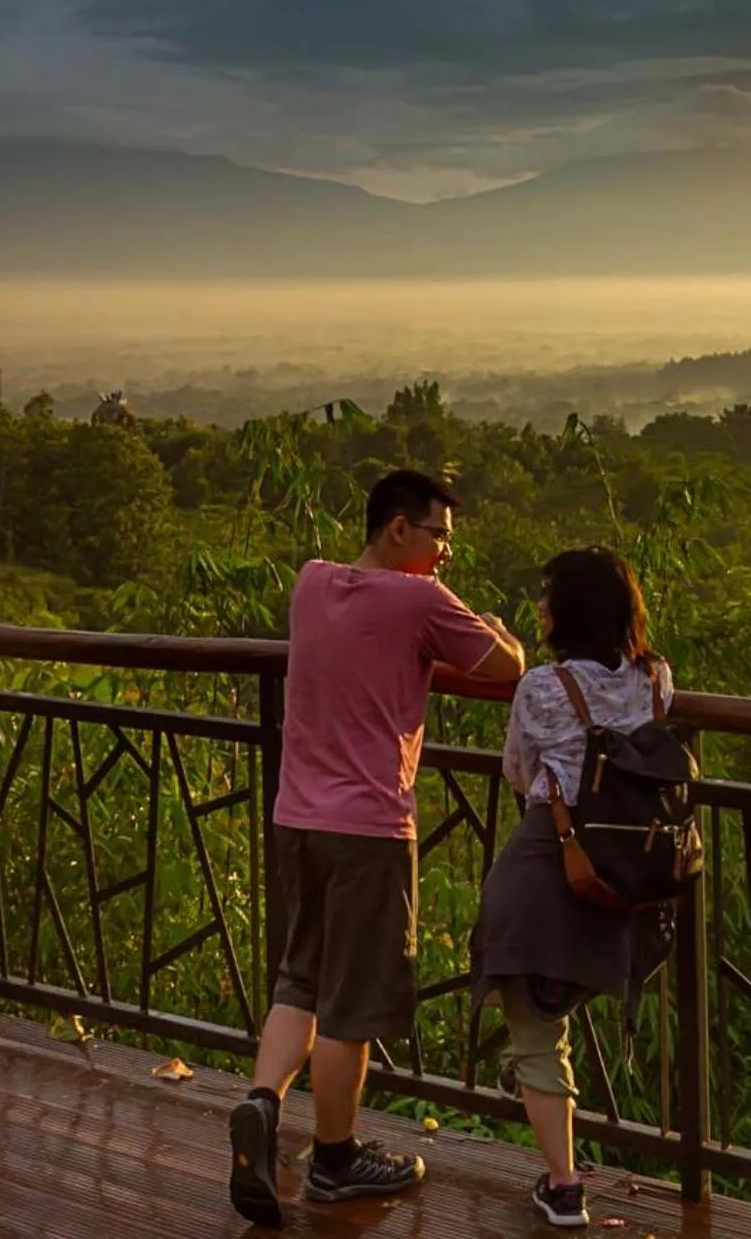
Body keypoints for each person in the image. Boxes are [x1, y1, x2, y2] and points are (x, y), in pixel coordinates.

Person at [229, 469, 526, 1228]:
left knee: (300, 977)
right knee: (350, 1005)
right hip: (367, 825)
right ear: (398, 529)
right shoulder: (420, 600)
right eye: (439, 535)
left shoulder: (311, 582)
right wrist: (498, 629)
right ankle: (334, 1161)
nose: (446, 552)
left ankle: (262, 1102)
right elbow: (508, 666)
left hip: (297, 815)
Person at [471, 545, 676, 1230]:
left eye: (548, 595)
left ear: (569, 610)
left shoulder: (541, 686)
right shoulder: (657, 679)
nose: (540, 606)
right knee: (553, 1008)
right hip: (630, 873)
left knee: (534, 1025)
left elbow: (517, 771)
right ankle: (528, 1078)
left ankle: (564, 1186)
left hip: (548, 864)